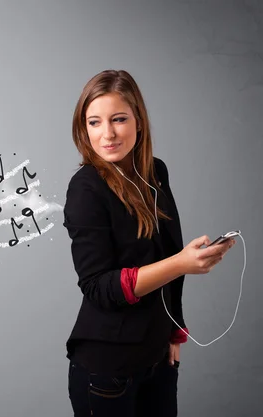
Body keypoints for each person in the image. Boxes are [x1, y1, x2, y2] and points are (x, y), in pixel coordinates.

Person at [62, 69, 236, 417]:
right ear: (84, 129)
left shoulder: (155, 171)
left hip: (157, 359)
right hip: (107, 370)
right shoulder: (85, 189)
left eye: (119, 119)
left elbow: (168, 254)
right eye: (94, 122)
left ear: (138, 121)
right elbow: (98, 286)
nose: (107, 134)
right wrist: (182, 263)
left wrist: (174, 332)